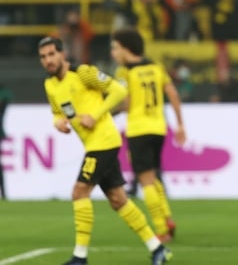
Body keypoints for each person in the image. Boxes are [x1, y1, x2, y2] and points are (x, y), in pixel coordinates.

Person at [37, 36, 172, 265]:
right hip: (93, 144)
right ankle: (157, 248)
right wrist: (58, 122)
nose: (48, 60)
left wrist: (96, 115)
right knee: (119, 199)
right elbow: (57, 112)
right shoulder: (50, 85)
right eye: (43, 57)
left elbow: (119, 91)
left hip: (104, 142)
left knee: (79, 192)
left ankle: (80, 257)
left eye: (52, 54)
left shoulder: (83, 73)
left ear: (62, 54)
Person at [110, 27, 187, 243]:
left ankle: (162, 230)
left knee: (146, 181)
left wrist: (107, 112)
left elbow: (126, 103)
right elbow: (173, 94)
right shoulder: (156, 68)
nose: (113, 53)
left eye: (115, 48)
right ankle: (167, 218)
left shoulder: (124, 72)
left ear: (126, 48)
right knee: (152, 176)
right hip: (158, 128)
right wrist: (180, 125)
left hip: (138, 129)